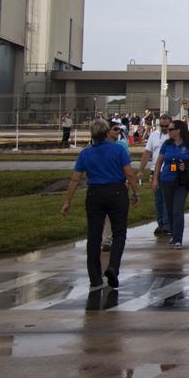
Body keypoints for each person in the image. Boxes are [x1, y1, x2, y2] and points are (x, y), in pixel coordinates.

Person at [60, 120, 140, 290]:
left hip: (95, 192)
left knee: (94, 235)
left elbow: (76, 178)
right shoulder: (118, 149)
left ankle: (95, 277)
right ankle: (113, 267)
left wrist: (67, 201)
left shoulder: (86, 153)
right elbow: (129, 173)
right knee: (119, 232)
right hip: (116, 191)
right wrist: (135, 192)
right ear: (106, 133)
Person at [152, 120, 189, 249]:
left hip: (181, 181)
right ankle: (173, 234)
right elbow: (158, 163)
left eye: (171, 129)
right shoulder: (167, 144)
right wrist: (155, 179)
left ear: (178, 130)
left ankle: (178, 238)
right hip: (166, 180)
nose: (168, 131)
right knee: (169, 210)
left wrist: (188, 163)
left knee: (177, 210)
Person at [139, 114, 172, 236]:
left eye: (166, 126)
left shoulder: (173, 136)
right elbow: (147, 153)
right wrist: (141, 169)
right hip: (155, 171)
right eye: (162, 126)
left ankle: (167, 224)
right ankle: (161, 224)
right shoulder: (153, 135)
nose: (164, 128)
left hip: (169, 171)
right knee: (158, 199)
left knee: (166, 198)